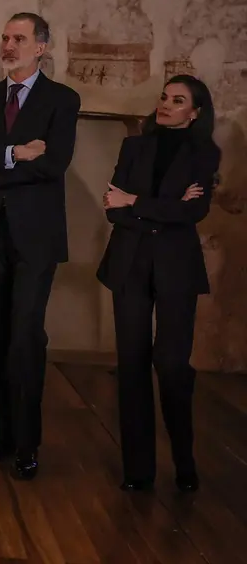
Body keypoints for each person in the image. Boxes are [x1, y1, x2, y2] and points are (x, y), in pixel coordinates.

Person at [0, 12, 81, 480]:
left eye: (19, 39)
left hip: (36, 237)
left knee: (25, 337)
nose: (8, 45)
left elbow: (55, 163)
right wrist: (15, 152)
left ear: (41, 47)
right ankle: (2, 437)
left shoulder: (62, 100)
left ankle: (27, 443)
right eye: (5, 38)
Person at [97, 74, 220, 493]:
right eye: (164, 97)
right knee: (131, 367)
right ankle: (139, 471)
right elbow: (111, 209)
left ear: (195, 112)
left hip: (176, 269)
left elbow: (193, 212)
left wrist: (134, 202)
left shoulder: (205, 152)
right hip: (128, 264)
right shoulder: (134, 146)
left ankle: (184, 460)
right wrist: (160, 207)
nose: (166, 105)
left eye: (178, 100)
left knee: (170, 365)